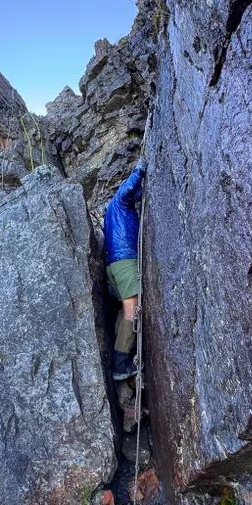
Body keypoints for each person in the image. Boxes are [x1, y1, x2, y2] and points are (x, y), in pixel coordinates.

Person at [103, 157, 146, 380]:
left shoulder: (110, 211)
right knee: (132, 311)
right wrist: (140, 170)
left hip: (114, 264)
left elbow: (136, 195)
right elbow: (130, 189)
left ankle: (119, 358)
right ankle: (121, 364)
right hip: (125, 260)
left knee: (124, 310)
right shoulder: (120, 199)